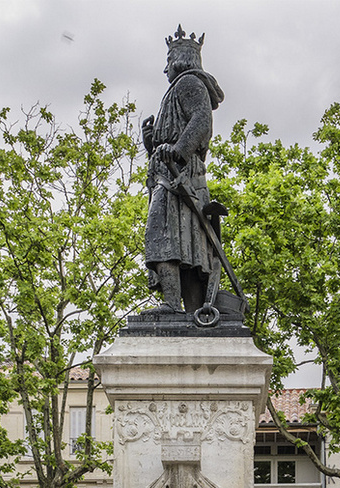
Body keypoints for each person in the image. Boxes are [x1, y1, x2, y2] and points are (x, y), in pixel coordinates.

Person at [142, 26, 226, 315]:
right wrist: (152, 142)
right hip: (172, 174)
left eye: (168, 60)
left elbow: (201, 120)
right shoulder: (179, 88)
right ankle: (188, 309)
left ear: (178, 59)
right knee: (183, 241)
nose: (165, 67)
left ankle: (170, 304)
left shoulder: (189, 83)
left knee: (162, 235)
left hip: (178, 177)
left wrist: (176, 150)